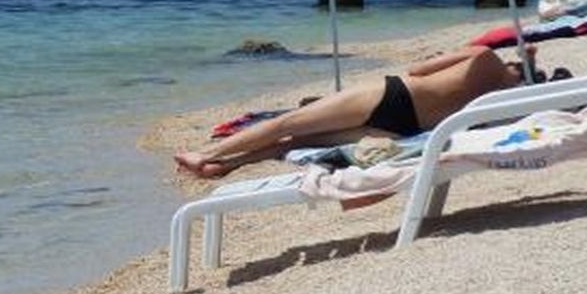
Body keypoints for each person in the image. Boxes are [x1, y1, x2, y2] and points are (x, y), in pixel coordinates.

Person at [175, 44, 545, 179]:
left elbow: (418, 71)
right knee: (290, 142)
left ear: (514, 64)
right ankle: (225, 167)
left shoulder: (483, 57)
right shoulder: (499, 105)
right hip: (405, 129)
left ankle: (207, 154)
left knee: (283, 124)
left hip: (393, 97)